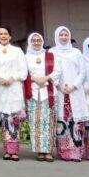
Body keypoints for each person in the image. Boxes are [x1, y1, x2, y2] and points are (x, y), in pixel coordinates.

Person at [0, 25, 27, 161]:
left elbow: (23, 71)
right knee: (4, 119)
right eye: (0, 34)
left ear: (10, 36)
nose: (3, 36)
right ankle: (6, 150)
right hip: (0, 88)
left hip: (13, 87)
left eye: (5, 34)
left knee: (14, 119)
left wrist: (12, 78)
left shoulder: (17, 51)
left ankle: (14, 151)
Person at [50, 25, 88, 162]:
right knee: (62, 122)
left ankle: (76, 152)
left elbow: (83, 72)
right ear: (56, 36)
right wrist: (59, 85)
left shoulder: (76, 52)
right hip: (60, 91)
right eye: (61, 35)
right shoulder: (52, 52)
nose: (64, 37)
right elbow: (50, 71)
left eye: (66, 35)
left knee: (75, 122)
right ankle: (64, 152)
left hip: (74, 91)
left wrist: (74, 85)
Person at [24, 32, 54, 162]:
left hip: (47, 91)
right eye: (34, 40)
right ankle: (39, 150)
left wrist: (45, 79)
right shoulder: (25, 57)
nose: (36, 43)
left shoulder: (49, 55)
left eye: (39, 40)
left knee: (47, 122)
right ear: (30, 42)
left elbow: (57, 71)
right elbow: (23, 72)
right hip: (33, 92)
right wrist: (35, 79)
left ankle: (47, 151)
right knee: (35, 122)